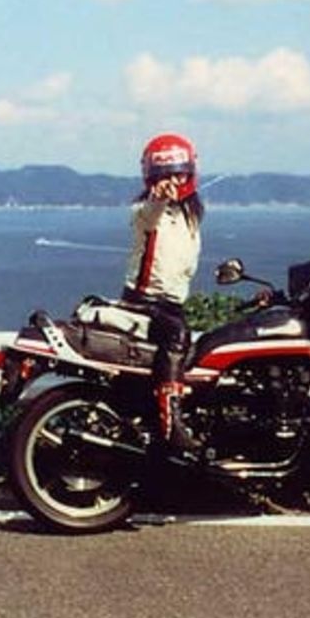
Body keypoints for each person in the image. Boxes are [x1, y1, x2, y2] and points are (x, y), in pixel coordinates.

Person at [121, 133, 204, 453]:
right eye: (166, 174)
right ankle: (171, 422)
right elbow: (148, 215)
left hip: (172, 303)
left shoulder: (190, 216)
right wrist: (159, 199)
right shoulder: (143, 211)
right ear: (152, 177)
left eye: (180, 172)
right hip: (144, 302)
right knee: (177, 334)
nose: (174, 180)